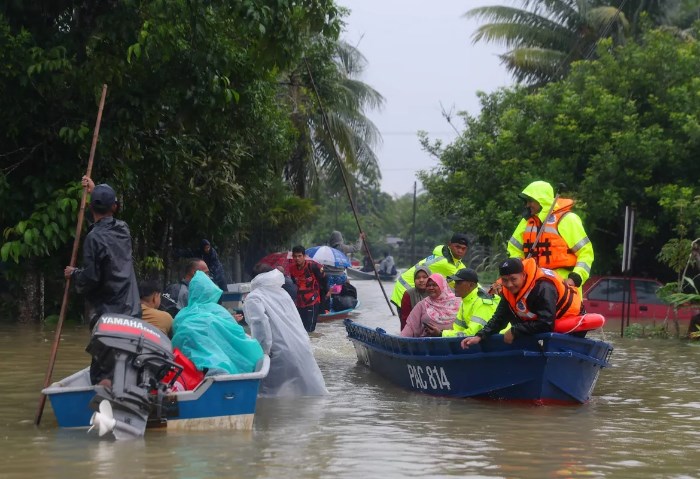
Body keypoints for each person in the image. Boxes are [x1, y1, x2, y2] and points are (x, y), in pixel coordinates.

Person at [64, 176, 141, 385]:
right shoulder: (123, 229)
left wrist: (74, 274)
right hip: (132, 312)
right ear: (114, 207)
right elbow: (108, 216)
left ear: (90, 207)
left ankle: (106, 412)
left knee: (103, 375)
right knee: (124, 365)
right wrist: (95, 189)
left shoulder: (93, 238)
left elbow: (91, 278)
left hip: (109, 318)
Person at [461, 257, 584, 349]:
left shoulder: (543, 287)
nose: (509, 284)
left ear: (523, 275)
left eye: (513, 279)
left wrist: (515, 331)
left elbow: (546, 323)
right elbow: (500, 318)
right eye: (505, 280)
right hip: (542, 324)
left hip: (570, 321)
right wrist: (480, 336)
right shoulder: (508, 291)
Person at [243, 265, 327, 397]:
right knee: (308, 395)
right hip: (302, 347)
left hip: (279, 353)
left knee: (266, 397)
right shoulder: (283, 293)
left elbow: (261, 327)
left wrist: (263, 353)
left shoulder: (254, 297)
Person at [171, 270, 264, 375]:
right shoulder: (218, 310)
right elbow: (236, 334)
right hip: (221, 366)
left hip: (187, 369)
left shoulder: (181, 315)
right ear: (211, 292)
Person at [507, 180, 594, 289]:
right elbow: (514, 250)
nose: (527, 205)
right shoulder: (526, 222)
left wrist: (576, 277)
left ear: (541, 200)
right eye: (526, 201)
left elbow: (586, 252)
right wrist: (516, 273)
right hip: (533, 285)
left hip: (564, 286)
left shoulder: (567, 219)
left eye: (530, 201)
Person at [390, 233, 469, 316]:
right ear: (449, 245)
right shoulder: (445, 263)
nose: (460, 251)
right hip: (405, 290)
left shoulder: (456, 262)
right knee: (413, 325)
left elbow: (469, 277)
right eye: (457, 247)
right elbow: (466, 285)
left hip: (417, 290)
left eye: (463, 249)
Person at [441, 268, 504, 337]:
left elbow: (473, 334)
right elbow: (458, 330)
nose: (455, 286)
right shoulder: (465, 301)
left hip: (502, 343)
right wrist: (441, 333)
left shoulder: (482, 303)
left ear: (471, 285)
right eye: (455, 282)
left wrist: (442, 334)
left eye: (458, 283)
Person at [401, 273, 461, 338]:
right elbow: (410, 326)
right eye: (428, 285)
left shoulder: (458, 302)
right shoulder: (422, 305)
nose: (431, 288)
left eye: (434, 285)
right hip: (428, 344)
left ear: (442, 286)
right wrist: (401, 341)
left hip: (455, 342)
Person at [289, 245, 326, 332]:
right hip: (300, 302)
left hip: (312, 301)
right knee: (301, 329)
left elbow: (323, 282)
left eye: (299, 256)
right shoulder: (292, 269)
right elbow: (294, 282)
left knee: (310, 330)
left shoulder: (312, 267)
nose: (297, 258)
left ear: (304, 256)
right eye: (295, 256)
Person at [399, 265, 431, 331]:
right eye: (418, 278)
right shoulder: (408, 294)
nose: (421, 280)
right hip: (414, 332)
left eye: (425, 277)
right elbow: (405, 320)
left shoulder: (435, 292)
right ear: (414, 280)